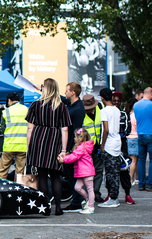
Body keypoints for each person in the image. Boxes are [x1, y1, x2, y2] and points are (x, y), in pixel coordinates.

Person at [26, 78, 71, 216]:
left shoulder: (35, 105)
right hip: (55, 141)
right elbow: (65, 130)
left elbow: (30, 128)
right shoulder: (61, 106)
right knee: (56, 175)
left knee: (42, 176)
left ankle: (45, 208)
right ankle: (58, 207)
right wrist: (63, 151)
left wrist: (29, 147)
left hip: (39, 140)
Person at [58, 128, 96, 214]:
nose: (74, 139)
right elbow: (74, 155)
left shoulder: (81, 147)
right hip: (83, 172)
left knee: (90, 189)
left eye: (75, 137)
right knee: (77, 188)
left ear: (79, 138)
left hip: (86, 172)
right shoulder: (83, 147)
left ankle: (91, 207)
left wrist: (63, 160)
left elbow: (74, 157)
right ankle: (88, 199)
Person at [62, 82, 87, 212]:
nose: (65, 92)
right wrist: (43, 89)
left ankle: (77, 201)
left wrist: (70, 150)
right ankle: (77, 199)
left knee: (74, 175)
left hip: (72, 147)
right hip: (69, 146)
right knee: (70, 174)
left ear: (73, 92)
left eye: (67, 90)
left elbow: (77, 132)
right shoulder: (70, 104)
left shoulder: (78, 109)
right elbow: (60, 98)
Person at [97, 88, 121, 208]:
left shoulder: (104, 111)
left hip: (109, 144)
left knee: (110, 173)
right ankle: (114, 196)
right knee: (115, 172)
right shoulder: (117, 110)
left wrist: (102, 145)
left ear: (102, 98)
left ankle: (112, 198)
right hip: (117, 142)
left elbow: (106, 129)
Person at [0, 92, 28, 180]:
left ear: (9, 100)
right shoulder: (26, 109)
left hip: (9, 145)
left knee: (2, 171)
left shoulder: (6, 111)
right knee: (19, 173)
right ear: (19, 100)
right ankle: (17, 192)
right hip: (23, 146)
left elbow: (2, 129)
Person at [112, 92, 136, 204]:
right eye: (114, 100)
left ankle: (127, 194)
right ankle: (111, 195)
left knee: (124, 169)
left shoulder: (124, 114)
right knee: (111, 171)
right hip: (111, 145)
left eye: (118, 101)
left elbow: (128, 129)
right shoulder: (107, 113)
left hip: (122, 144)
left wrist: (118, 135)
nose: (116, 103)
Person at [81, 94, 105, 202]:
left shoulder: (100, 107)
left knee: (99, 170)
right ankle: (87, 195)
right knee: (86, 172)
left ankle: (96, 193)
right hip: (86, 148)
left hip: (98, 146)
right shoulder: (80, 112)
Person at [125, 98, 139, 185]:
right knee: (134, 160)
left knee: (132, 160)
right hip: (135, 137)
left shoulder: (127, 115)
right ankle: (131, 180)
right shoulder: (136, 115)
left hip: (128, 138)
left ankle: (134, 179)